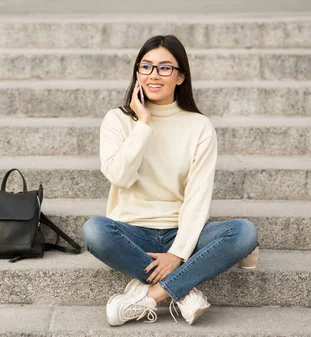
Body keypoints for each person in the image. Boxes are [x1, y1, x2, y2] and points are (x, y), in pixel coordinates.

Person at [82, 35, 259, 326]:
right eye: (146, 66)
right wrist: (142, 125)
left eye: (164, 68)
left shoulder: (199, 126)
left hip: (182, 231)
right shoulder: (117, 120)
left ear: (180, 77)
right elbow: (120, 177)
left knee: (243, 233)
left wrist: (177, 253)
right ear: (137, 72)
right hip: (132, 232)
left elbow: (198, 197)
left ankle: (151, 297)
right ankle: (183, 291)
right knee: (94, 231)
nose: (153, 75)